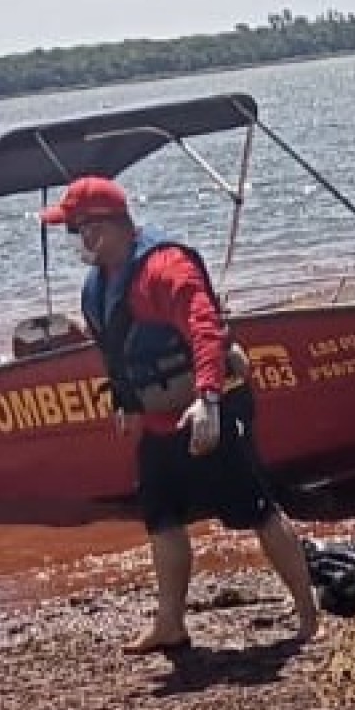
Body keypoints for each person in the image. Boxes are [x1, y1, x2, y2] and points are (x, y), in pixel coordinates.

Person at [42, 176, 320, 654]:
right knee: (160, 516)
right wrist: (126, 403)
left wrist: (209, 398)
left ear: (111, 226)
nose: (80, 240)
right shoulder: (98, 286)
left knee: (255, 508)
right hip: (156, 420)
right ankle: (169, 622)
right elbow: (114, 350)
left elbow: (204, 330)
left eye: (84, 228)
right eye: (74, 231)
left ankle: (307, 612)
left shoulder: (166, 268)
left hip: (209, 405)